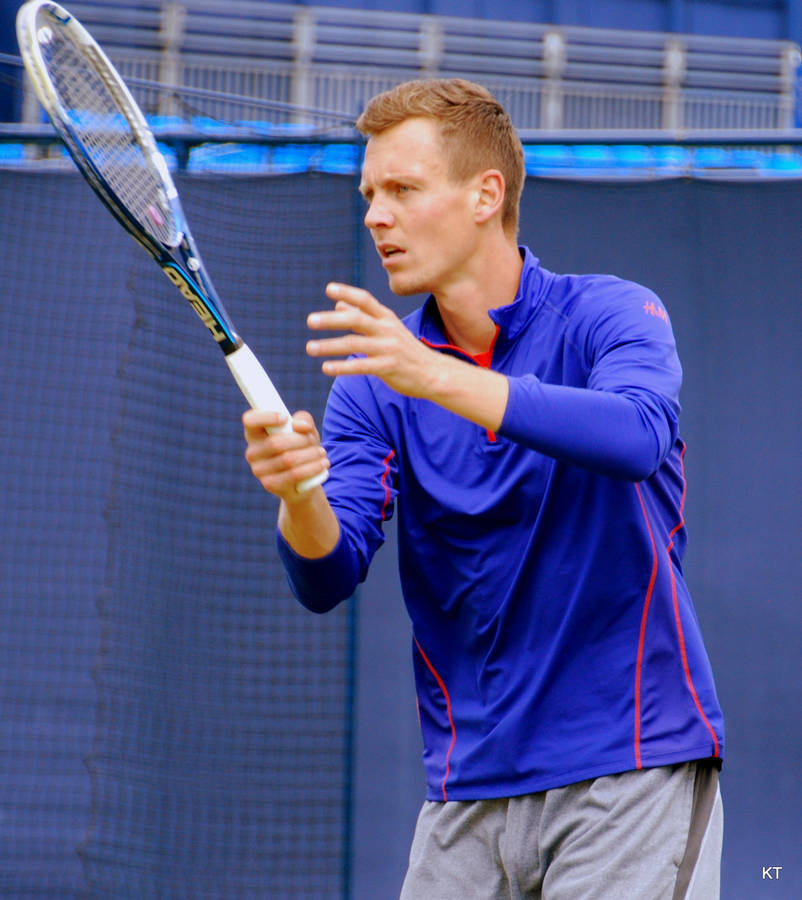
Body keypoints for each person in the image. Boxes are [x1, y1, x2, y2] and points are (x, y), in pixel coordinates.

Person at [242, 78, 724, 899]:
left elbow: (635, 435)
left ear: (484, 196)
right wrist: (299, 496)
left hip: (632, 765)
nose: (375, 215)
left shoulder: (609, 314)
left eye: (402, 189)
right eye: (368, 193)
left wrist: (432, 375)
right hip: (466, 794)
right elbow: (326, 574)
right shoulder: (374, 385)